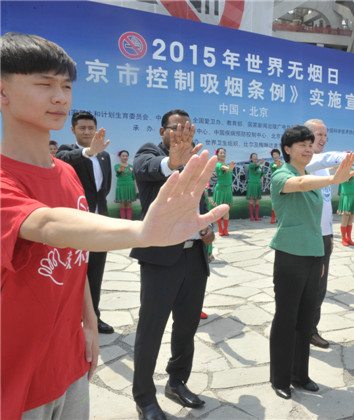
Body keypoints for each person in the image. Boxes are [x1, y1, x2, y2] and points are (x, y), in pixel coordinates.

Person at [0, 32, 227, 420]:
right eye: (43, 84)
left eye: (66, 85)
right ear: (2, 93)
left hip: (68, 362)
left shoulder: (68, 175)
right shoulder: (6, 178)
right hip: (19, 375)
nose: (60, 97)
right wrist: (142, 233)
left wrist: (87, 322)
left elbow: (73, 260)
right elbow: (48, 224)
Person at [130, 109, 216, 420]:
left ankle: (177, 381)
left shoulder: (197, 156)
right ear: (162, 130)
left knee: (187, 326)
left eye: (186, 127)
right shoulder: (149, 153)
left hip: (194, 256)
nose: (181, 133)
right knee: (151, 329)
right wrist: (173, 162)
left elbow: (198, 197)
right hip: (160, 258)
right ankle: (144, 397)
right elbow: (148, 169)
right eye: (174, 127)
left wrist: (206, 227)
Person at [269, 125, 354, 400]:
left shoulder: (311, 175)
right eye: (302, 145)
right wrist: (333, 180)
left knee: (305, 319)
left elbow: (315, 222)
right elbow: (298, 185)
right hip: (289, 256)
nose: (308, 149)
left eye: (311, 144)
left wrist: (320, 258)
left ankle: (300, 375)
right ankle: (280, 379)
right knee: (286, 318)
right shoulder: (281, 175)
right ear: (287, 149)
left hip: (312, 255)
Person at [303, 119, 354, 348]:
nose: (324, 139)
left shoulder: (322, 165)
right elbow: (325, 159)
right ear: (306, 138)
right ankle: (302, 329)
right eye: (319, 134)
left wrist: (331, 236)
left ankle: (310, 329)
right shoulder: (308, 162)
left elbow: (326, 206)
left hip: (323, 236)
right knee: (308, 288)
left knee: (319, 287)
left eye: (326, 135)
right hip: (308, 237)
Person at [57, 111, 114, 334]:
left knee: (96, 273)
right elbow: (63, 160)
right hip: (75, 225)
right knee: (71, 273)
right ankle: (68, 321)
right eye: (82, 128)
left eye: (91, 128)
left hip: (99, 223)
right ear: (73, 130)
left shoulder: (105, 156)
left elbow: (104, 188)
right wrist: (88, 152)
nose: (87, 132)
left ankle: (93, 317)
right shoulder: (65, 153)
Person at [213, 147, 234, 236]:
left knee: (226, 211)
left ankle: (225, 229)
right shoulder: (218, 165)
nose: (223, 154)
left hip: (228, 189)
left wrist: (229, 168)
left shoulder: (227, 164)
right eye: (221, 153)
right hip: (220, 190)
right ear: (217, 155)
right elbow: (223, 168)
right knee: (219, 210)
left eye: (224, 152)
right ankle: (220, 229)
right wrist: (229, 168)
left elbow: (226, 168)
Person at [337, 172, 354, 246]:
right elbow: (348, 179)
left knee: (350, 220)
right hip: (346, 197)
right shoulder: (344, 171)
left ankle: (349, 238)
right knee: (345, 219)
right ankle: (343, 239)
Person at [115, 149, 138, 220]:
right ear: (120, 157)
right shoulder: (117, 166)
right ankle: (123, 222)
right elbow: (118, 170)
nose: (125, 157)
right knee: (122, 205)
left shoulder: (131, 166)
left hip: (130, 186)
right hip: (121, 187)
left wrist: (136, 189)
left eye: (126, 156)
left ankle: (129, 221)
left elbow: (134, 178)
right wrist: (120, 169)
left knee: (129, 204)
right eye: (123, 156)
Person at [247, 152, 264, 221]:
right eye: (254, 156)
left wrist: (261, 179)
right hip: (252, 184)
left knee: (257, 200)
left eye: (256, 156)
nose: (255, 157)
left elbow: (262, 174)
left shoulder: (260, 167)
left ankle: (256, 216)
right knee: (252, 200)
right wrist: (260, 163)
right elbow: (255, 165)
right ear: (251, 159)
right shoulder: (251, 165)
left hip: (258, 184)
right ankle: (251, 216)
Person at [270, 148, 283, 224]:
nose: (275, 156)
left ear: (279, 155)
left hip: (282, 184)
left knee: (281, 201)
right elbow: (275, 166)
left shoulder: (283, 164)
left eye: (276, 154)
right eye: (274, 155)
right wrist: (278, 164)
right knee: (274, 201)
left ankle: (279, 217)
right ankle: (273, 217)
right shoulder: (272, 164)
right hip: (274, 184)